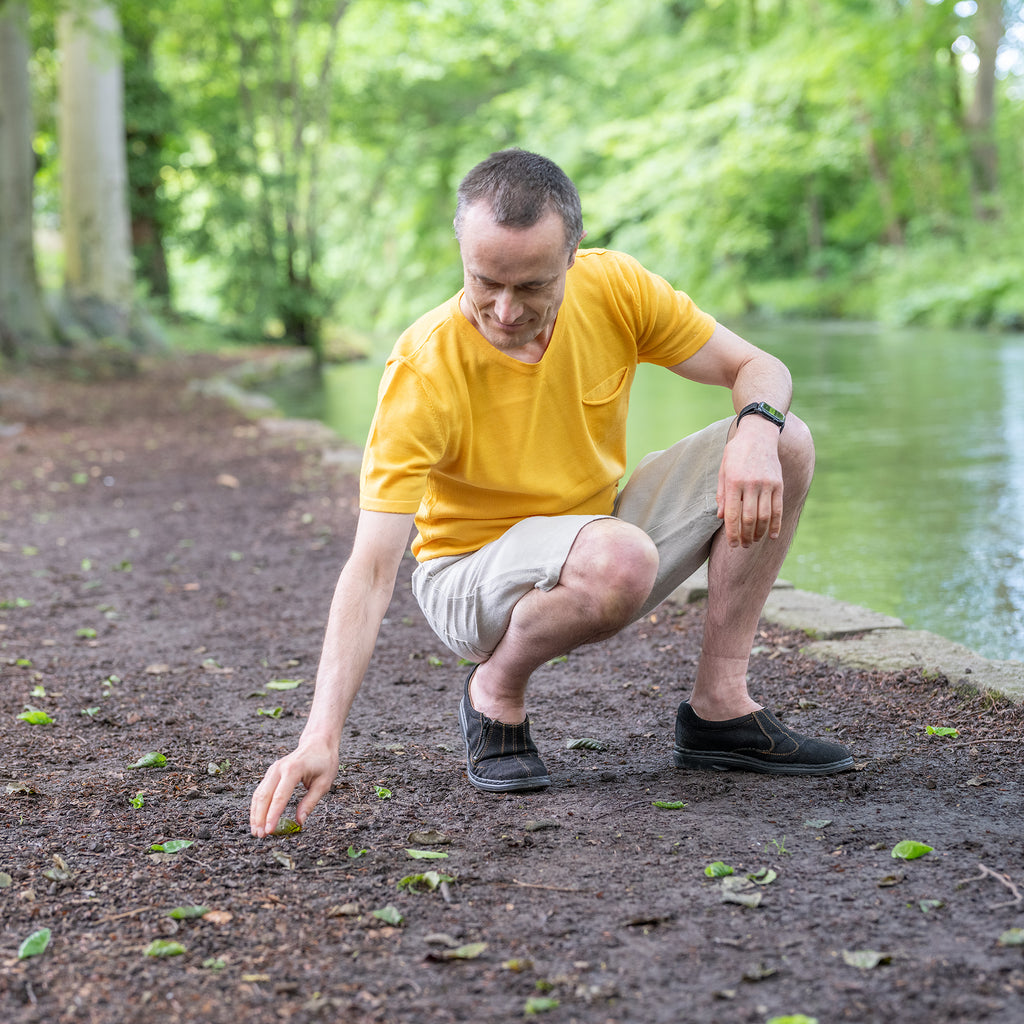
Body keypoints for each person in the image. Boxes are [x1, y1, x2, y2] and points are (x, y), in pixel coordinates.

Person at [249, 149, 852, 838]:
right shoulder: (424, 368)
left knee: (786, 438)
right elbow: (373, 566)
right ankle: (493, 691)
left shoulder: (615, 288)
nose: (505, 311)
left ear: (572, 257)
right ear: (462, 253)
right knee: (618, 555)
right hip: (468, 581)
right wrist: (320, 733)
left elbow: (758, 366)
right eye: (485, 282)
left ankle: (719, 706)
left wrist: (753, 431)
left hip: (591, 538)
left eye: (532, 286)